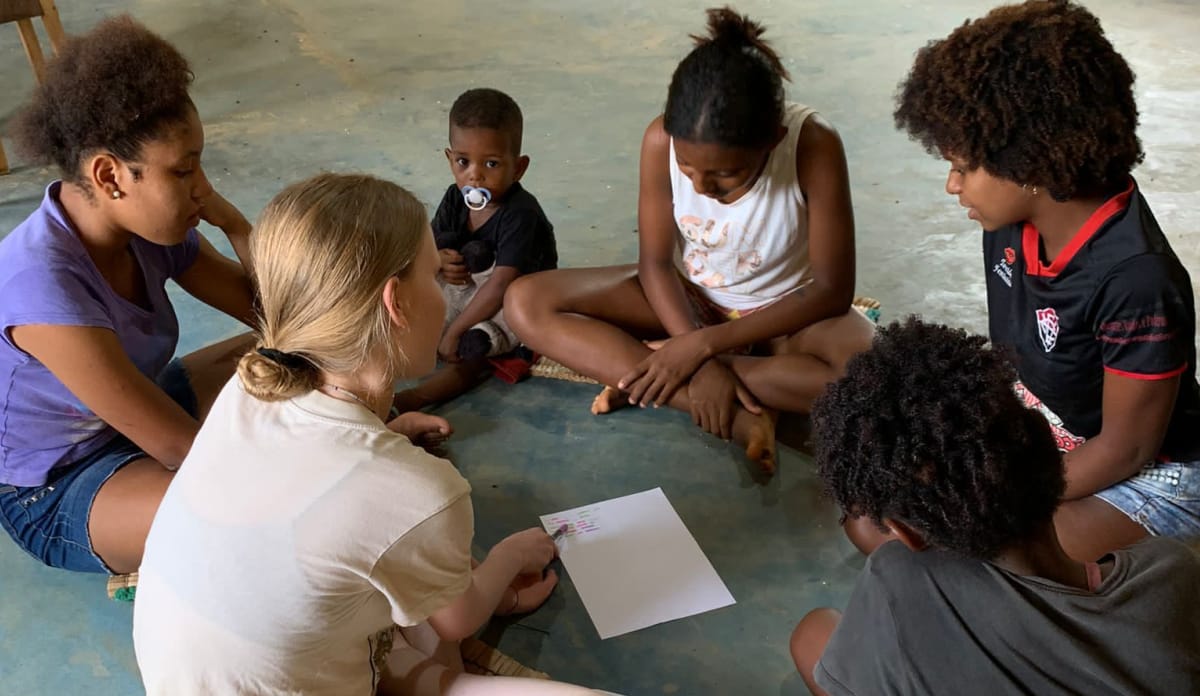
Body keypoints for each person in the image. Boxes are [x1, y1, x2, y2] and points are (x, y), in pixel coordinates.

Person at [132, 173, 600, 696]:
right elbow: (458, 618)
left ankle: (422, 675)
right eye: (432, 275)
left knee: (368, 589)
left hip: (182, 677)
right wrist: (510, 558)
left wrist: (386, 434)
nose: (446, 298)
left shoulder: (250, 385)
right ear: (395, 302)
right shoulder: (419, 490)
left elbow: (312, 488)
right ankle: (427, 679)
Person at [868, 0, 1200, 562]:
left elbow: (1126, 449)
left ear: (1029, 163)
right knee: (881, 519)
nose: (952, 186)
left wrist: (991, 496)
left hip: (1155, 479)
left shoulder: (1135, 279)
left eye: (963, 167)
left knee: (973, 562)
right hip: (1053, 444)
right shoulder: (1008, 222)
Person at [504, 7, 875, 473]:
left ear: (773, 139)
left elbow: (831, 290)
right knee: (525, 302)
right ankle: (737, 414)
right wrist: (699, 355)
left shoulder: (812, 144)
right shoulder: (659, 141)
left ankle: (652, 368)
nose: (701, 188)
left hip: (787, 315)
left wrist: (700, 351)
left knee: (872, 378)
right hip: (688, 296)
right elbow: (656, 264)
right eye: (690, 168)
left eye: (725, 174)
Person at [790, 317, 1200, 696]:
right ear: (1045, 443)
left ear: (908, 533)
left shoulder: (898, 578)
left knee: (812, 636)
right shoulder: (1173, 573)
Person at [0, 17, 256, 575]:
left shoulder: (149, 231)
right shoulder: (43, 285)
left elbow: (278, 315)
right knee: (244, 515)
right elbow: (181, 450)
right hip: (54, 488)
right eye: (184, 171)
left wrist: (237, 227)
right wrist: (338, 460)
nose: (202, 188)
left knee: (287, 359)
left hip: (137, 421)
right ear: (110, 177)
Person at [393, 88, 556, 411]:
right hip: (465, 291)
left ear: (519, 168)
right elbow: (428, 247)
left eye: (492, 163)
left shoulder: (520, 214)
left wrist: (455, 331)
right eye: (463, 162)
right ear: (449, 158)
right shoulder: (455, 197)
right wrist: (440, 259)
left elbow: (500, 285)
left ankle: (414, 399)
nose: (475, 175)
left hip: (509, 301)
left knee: (472, 352)